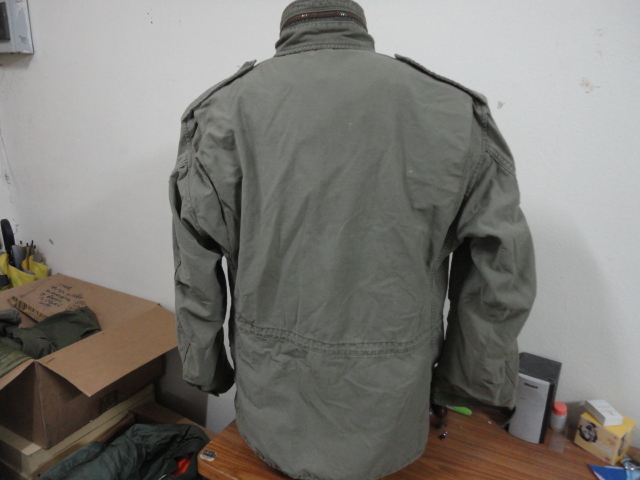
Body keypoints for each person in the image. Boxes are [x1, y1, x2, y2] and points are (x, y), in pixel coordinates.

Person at [169, 1, 536, 478]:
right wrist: (464, 383)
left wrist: (207, 369)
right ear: (358, 25)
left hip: (273, 415)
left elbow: (195, 271)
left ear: (288, 28)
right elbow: (500, 274)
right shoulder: (450, 110)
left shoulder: (220, 114)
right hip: (391, 418)